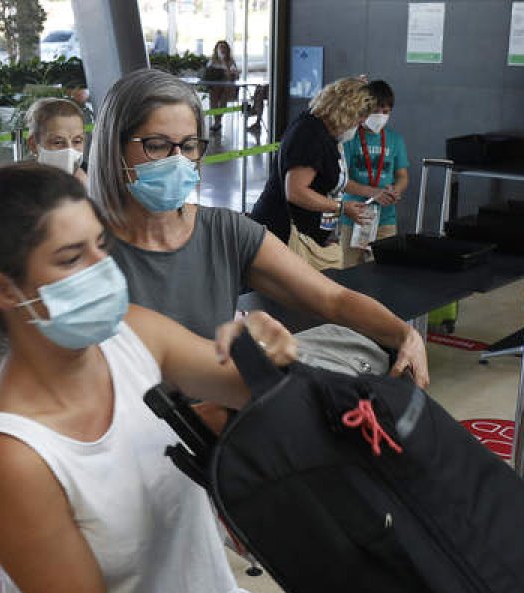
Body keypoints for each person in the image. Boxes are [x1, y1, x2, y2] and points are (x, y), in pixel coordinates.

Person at [0, 159, 330, 593]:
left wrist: (268, 351)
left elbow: (258, 393)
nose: (103, 271)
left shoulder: (133, 334)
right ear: (1, 289)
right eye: (69, 259)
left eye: (100, 247)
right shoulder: (7, 456)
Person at [90, 69, 430, 388]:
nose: (178, 160)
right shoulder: (82, 246)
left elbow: (333, 299)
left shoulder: (223, 231)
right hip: (139, 420)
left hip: (220, 411)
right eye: (157, 145)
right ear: (115, 147)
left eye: (190, 146)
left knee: (362, 353)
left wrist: (405, 336)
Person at [250, 77, 374, 270]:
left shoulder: (325, 130)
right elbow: (296, 192)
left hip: (309, 236)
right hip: (284, 234)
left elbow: (328, 180)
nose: (358, 126)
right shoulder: (310, 134)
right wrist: (341, 208)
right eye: (359, 120)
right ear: (347, 112)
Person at [339, 80, 410, 267]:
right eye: (375, 111)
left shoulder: (395, 139)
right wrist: (373, 193)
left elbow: (402, 175)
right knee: (349, 268)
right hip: (354, 215)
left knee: (384, 269)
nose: (380, 116)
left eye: (385, 112)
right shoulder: (349, 138)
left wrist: (396, 190)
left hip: (386, 218)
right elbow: (342, 181)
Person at [25, 97, 87, 184]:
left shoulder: (95, 178)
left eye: (77, 141)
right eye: (58, 142)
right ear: (33, 144)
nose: (70, 150)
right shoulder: (17, 188)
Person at [203, 40, 239, 135]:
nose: (222, 49)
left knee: (224, 92)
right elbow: (208, 73)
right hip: (215, 87)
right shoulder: (212, 61)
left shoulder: (230, 61)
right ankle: (217, 121)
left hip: (226, 86)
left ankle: (218, 121)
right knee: (214, 93)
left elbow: (234, 75)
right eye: (220, 47)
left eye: (224, 47)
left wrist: (224, 63)